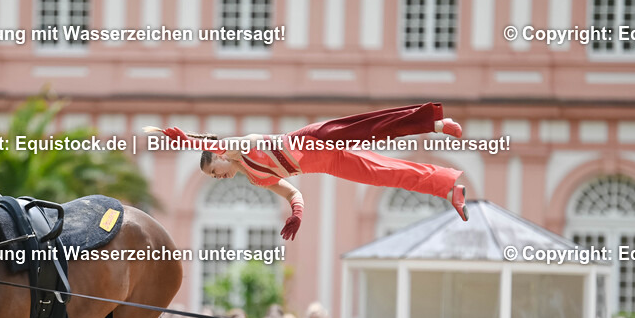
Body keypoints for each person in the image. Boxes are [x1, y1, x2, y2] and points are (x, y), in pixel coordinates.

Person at [147, 103, 467, 240]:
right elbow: (292, 192)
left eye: (214, 172)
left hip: (311, 139)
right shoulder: (257, 178)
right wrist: (296, 214)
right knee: (383, 172)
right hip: (326, 163)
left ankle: (436, 123)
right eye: (214, 179)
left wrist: (186, 140)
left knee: (369, 129)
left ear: (218, 156)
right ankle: (448, 186)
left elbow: (217, 144)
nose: (218, 178)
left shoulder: (238, 148)